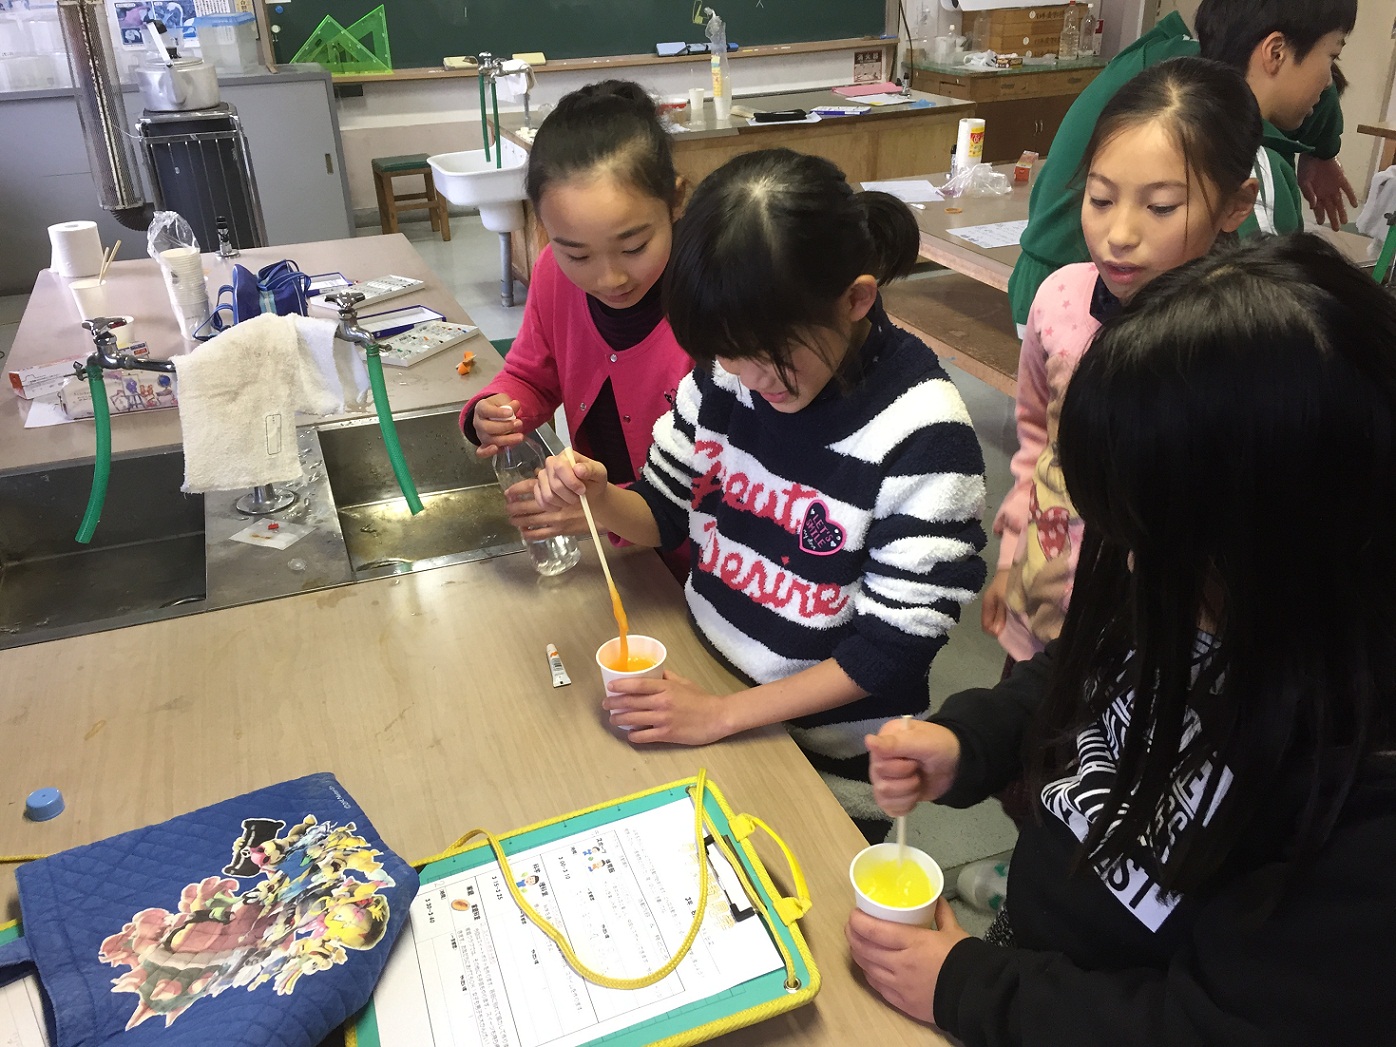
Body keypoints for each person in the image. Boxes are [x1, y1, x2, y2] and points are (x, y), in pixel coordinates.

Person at [847, 232, 1396, 1045]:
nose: (1133, 564)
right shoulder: (1187, 578)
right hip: (1038, 964)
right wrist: (968, 743)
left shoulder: (1361, 806)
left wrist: (969, 986)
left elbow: (1210, 1027)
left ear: (1288, 536)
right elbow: (1078, 678)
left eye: (1159, 542)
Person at [525, 149, 988, 843]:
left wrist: (721, 716)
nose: (746, 378)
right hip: (709, 690)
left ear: (856, 300)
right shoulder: (728, 374)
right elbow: (664, 510)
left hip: (825, 766)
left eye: (770, 358)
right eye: (727, 355)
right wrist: (599, 497)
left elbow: (890, 651)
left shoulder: (922, 434)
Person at [982, 58, 1260, 665]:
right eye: (1101, 198)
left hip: (1154, 645)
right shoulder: (1060, 300)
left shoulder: (1242, 345)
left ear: (1235, 205)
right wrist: (1009, 560)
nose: (1120, 233)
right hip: (1041, 608)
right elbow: (1037, 436)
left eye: (1161, 207)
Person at [1006, 0, 1357, 331]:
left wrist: (1323, 149)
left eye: (1161, 207)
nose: (1329, 81)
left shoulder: (1168, 63)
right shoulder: (1238, 156)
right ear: (1275, 52)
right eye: (1332, 56)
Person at [461, 80, 693, 515]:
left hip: (698, 538)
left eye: (634, 247)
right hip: (611, 527)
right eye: (578, 255)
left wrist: (610, 510)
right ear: (544, 229)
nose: (610, 278)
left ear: (675, 200)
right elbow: (533, 376)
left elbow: (731, 470)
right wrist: (498, 410)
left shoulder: (711, 295)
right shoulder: (553, 274)